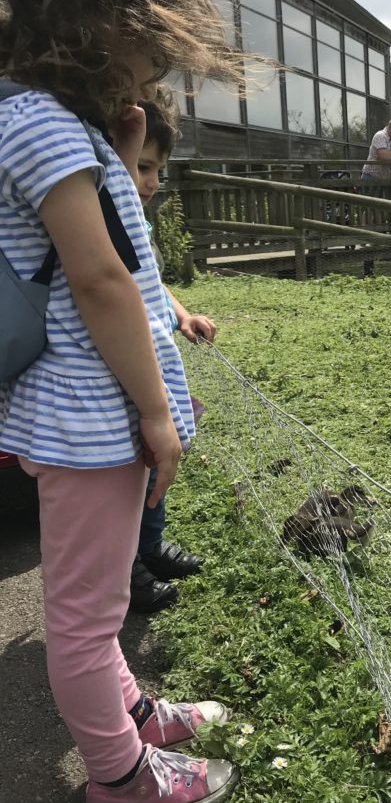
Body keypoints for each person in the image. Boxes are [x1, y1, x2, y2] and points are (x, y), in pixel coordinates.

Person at [0, 0, 246, 803]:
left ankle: (131, 712)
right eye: (148, 37)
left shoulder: (55, 124)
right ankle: (119, 777)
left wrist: (123, 147)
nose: (161, 61)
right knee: (83, 615)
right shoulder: (39, 125)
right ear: (96, 18)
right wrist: (153, 411)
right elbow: (100, 281)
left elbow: (120, 256)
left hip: (90, 412)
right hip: (91, 418)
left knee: (95, 602)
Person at [129, 96, 214, 614]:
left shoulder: (139, 222)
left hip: (154, 362)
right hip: (127, 367)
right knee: (129, 471)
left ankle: (150, 546)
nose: (153, 181)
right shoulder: (100, 219)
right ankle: (127, 568)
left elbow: (153, 283)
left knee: (158, 463)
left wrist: (182, 315)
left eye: (158, 170)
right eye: (142, 167)